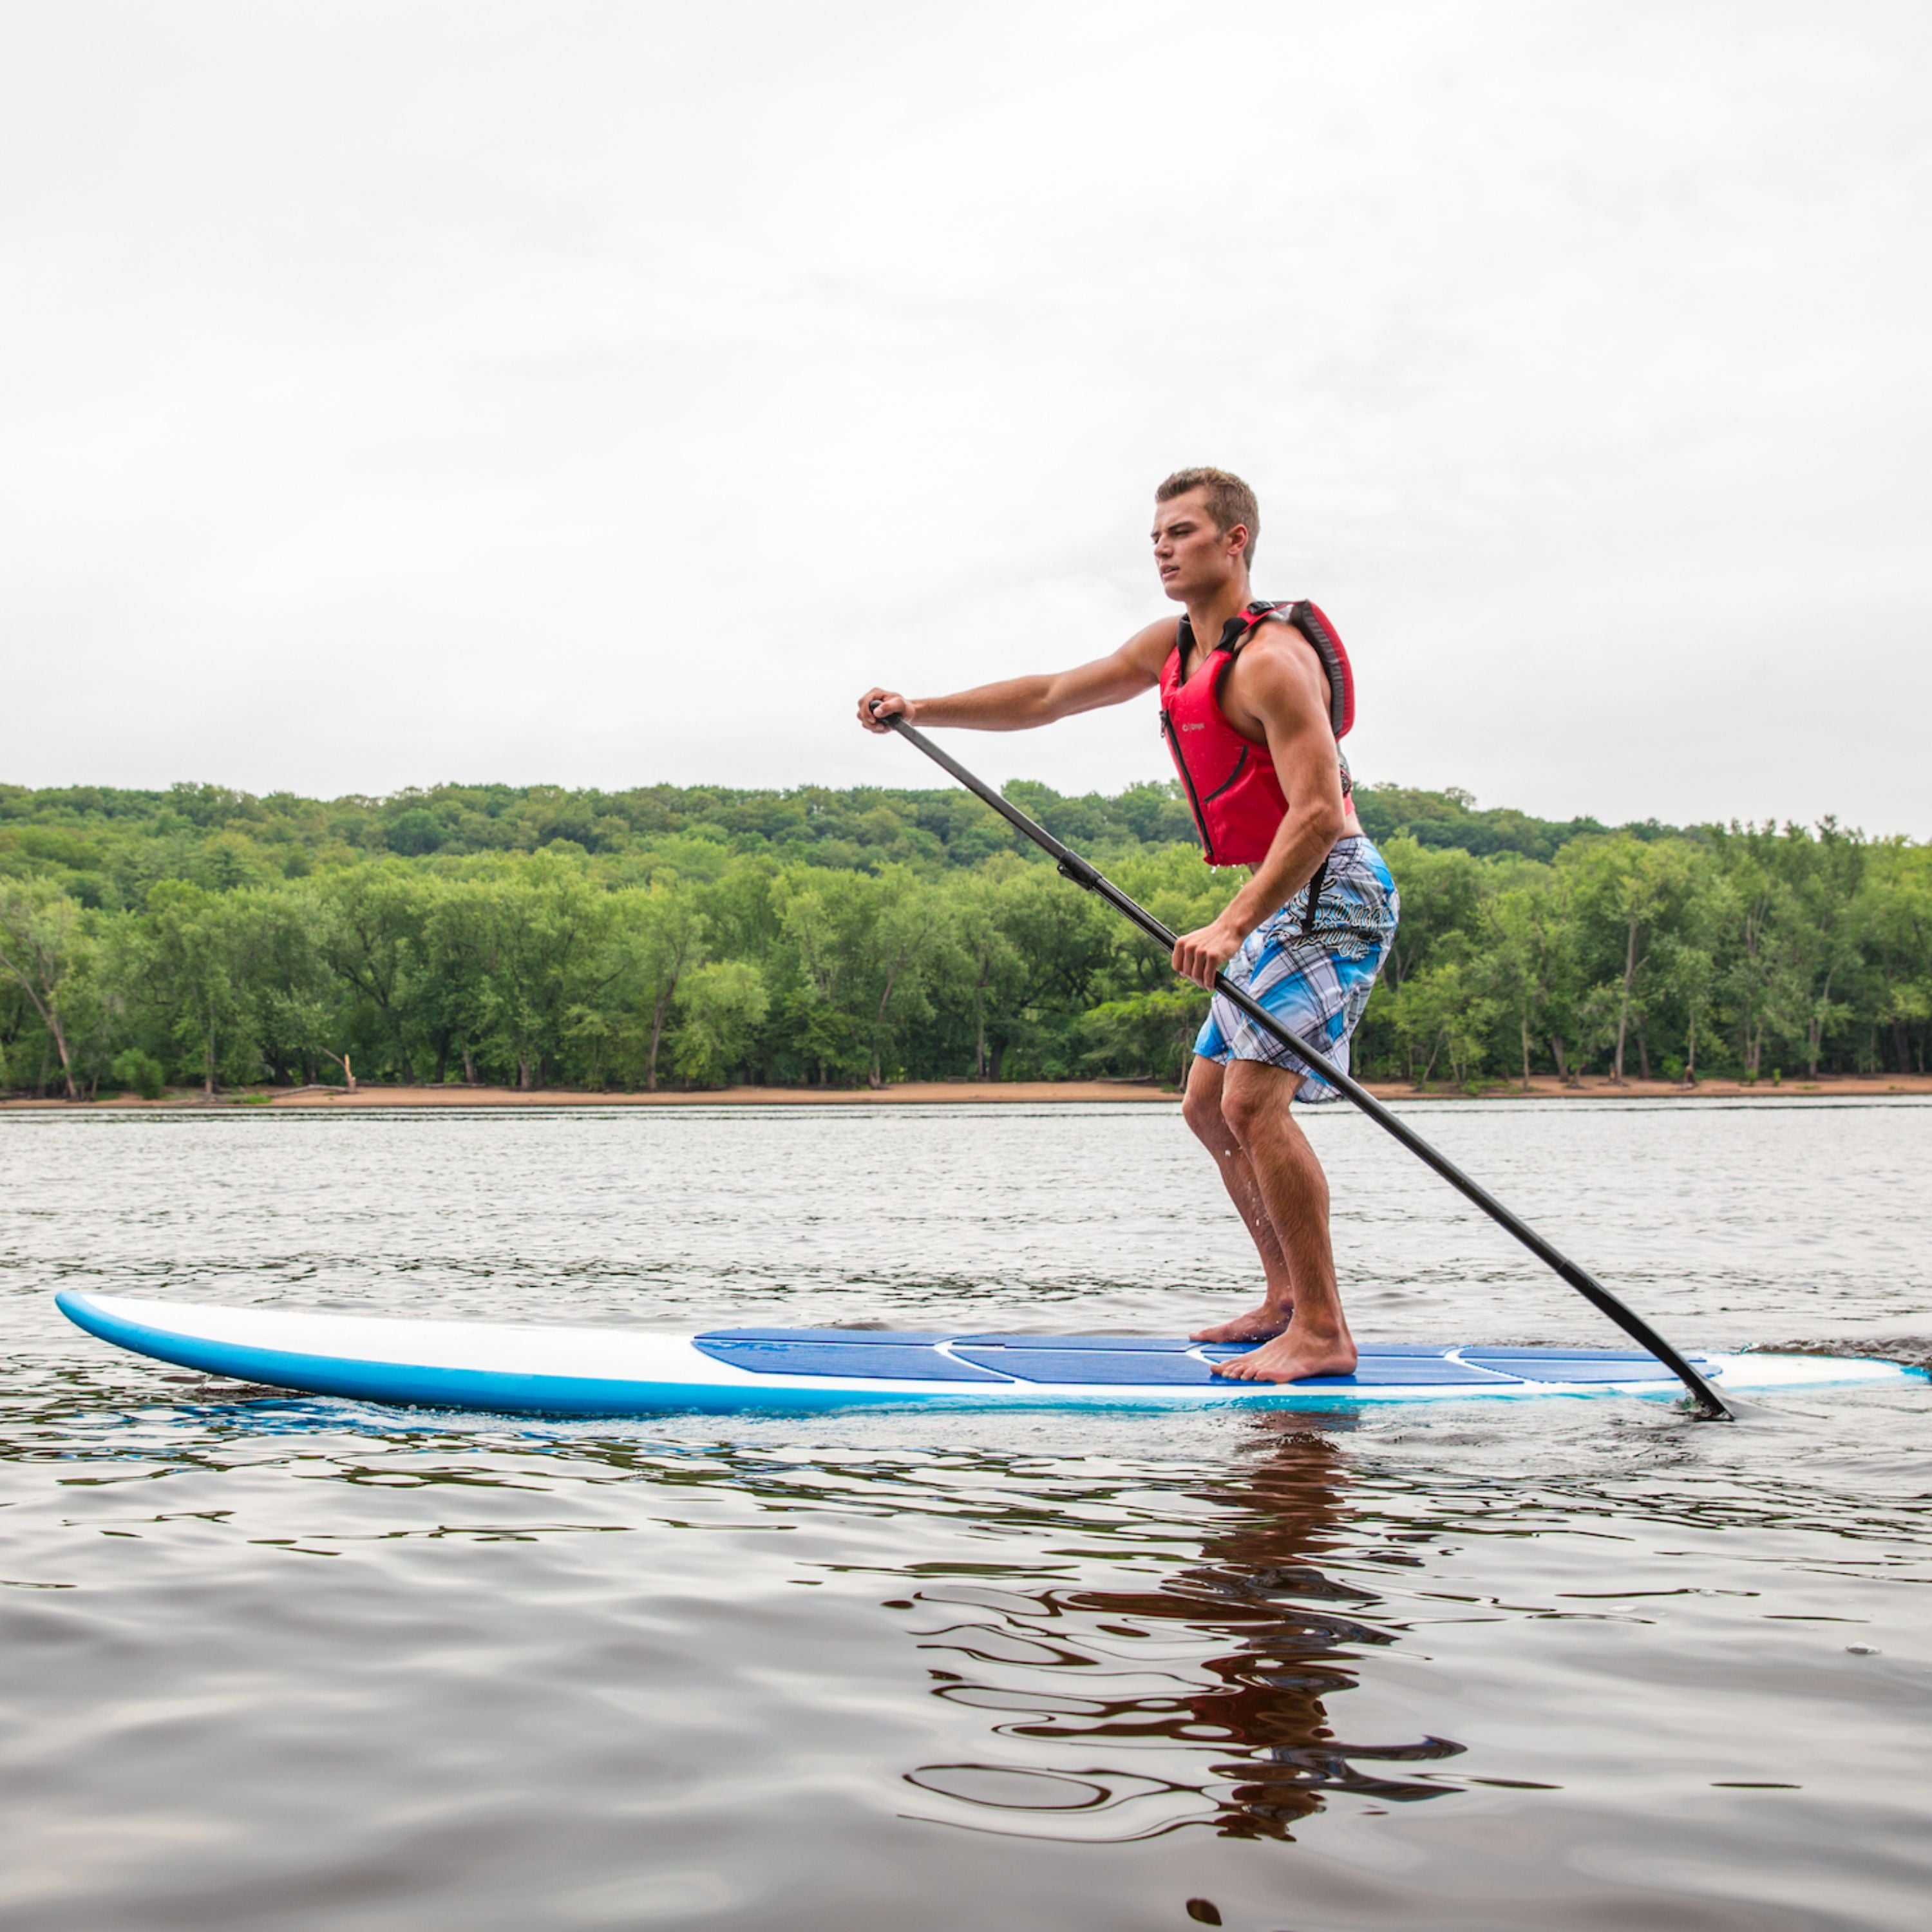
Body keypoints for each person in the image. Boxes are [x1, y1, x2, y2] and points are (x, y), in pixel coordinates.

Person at [856, 468, 1399, 1383]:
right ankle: (1284, 1301)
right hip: (1278, 897)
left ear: (1235, 542)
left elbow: (1313, 815)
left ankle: (1325, 1330)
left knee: (1252, 1103)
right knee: (1204, 1104)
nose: (1161, 547)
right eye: (1156, 534)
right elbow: (1049, 695)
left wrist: (1229, 926)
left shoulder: (1271, 660)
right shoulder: (1172, 648)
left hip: (1333, 892)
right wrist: (924, 708)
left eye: (1182, 532)